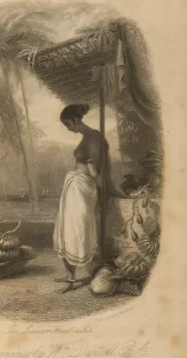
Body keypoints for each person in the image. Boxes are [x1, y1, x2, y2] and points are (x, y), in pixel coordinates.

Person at [53, 103, 130, 293]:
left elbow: (97, 174)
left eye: (68, 125)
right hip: (74, 187)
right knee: (66, 229)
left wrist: (94, 171)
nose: (68, 129)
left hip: (82, 189)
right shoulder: (88, 137)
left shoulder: (93, 139)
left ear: (75, 120)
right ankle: (70, 275)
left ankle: (74, 278)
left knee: (76, 231)